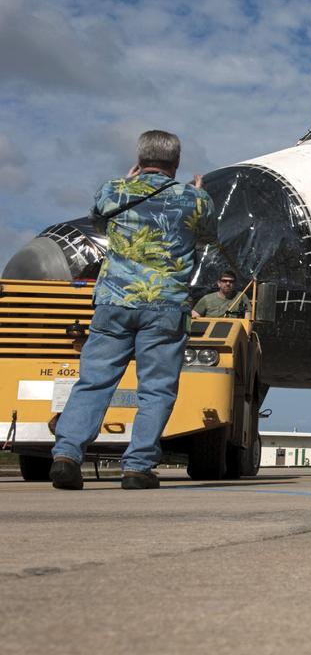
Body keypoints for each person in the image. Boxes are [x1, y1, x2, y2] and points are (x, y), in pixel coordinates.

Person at [49, 130, 218, 491]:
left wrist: (126, 185)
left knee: (94, 382)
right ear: (177, 162)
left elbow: (98, 225)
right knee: (155, 390)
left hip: (114, 301)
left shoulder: (113, 191)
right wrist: (198, 192)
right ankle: (137, 467)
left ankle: (66, 454)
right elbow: (207, 239)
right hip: (165, 305)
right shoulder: (195, 199)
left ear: (139, 160)